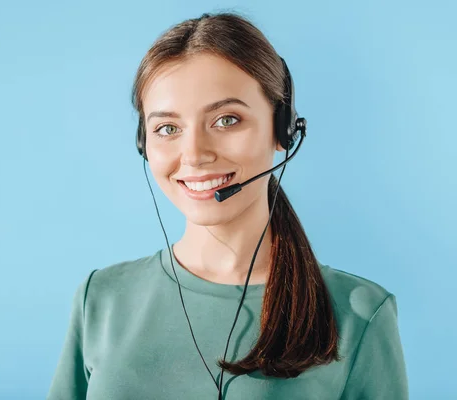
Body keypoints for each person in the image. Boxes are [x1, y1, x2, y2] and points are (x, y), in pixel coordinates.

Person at [46, 12, 409, 400]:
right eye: (167, 128)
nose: (195, 154)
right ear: (143, 143)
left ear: (282, 129)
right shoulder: (100, 298)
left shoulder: (359, 315)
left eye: (226, 120)